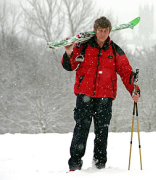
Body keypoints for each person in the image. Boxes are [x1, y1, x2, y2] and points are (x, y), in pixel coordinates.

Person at [61, 16, 140, 171]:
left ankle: (99, 165)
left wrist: (134, 90)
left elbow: (126, 72)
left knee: (102, 131)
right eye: (100, 30)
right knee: (81, 130)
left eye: (105, 31)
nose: (102, 34)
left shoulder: (115, 50)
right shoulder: (83, 47)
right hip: (84, 95)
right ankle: (75, 165)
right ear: (95, 31)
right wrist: (69, 51)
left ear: (109, 32)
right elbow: (70, 66)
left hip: (105, 97)